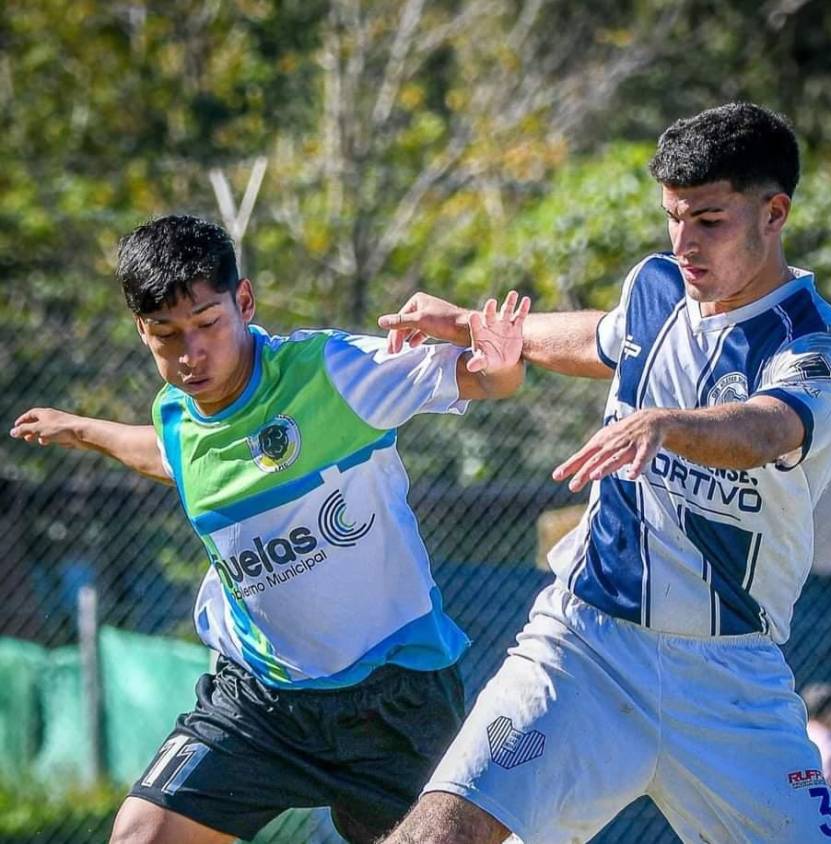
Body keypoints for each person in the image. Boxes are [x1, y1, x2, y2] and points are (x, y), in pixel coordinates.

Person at [376, 102, 831, 843]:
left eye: (708, 220)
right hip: (584, 649)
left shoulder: (819, 344)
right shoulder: (657, 287)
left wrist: (664, 424)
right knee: (440, 832)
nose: (683, 241)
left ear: (774, 213)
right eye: (672, 217)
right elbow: (599, 337)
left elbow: (769, 428)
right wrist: (476, 326)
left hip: (728, 681)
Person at [9, 214, 529, 844]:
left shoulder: (329, 372)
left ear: (245, 302)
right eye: (166, 335)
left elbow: (484, 376)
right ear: (142, 332)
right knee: (142, 835)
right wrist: (84, 430)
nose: (191, 353)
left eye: (207, 324)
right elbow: (174, 457)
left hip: (396, 699)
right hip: (261, 701)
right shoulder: (176, 414)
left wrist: (498, 363)